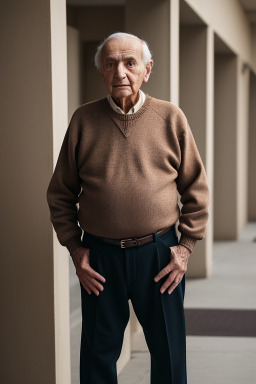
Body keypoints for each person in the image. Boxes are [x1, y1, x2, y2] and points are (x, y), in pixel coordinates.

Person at [47, 32, 209, 384]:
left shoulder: (170, 118)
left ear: (146, 70)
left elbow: (196, 188)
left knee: (169, 354)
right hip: (100, 258)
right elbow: (60, 194)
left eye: (130, 63)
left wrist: (185, 248)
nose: (120, 72)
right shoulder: (83, 121)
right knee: (97, 356)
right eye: (110, 64)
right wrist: (76, 250)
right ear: (102, 72)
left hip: (160, 254)